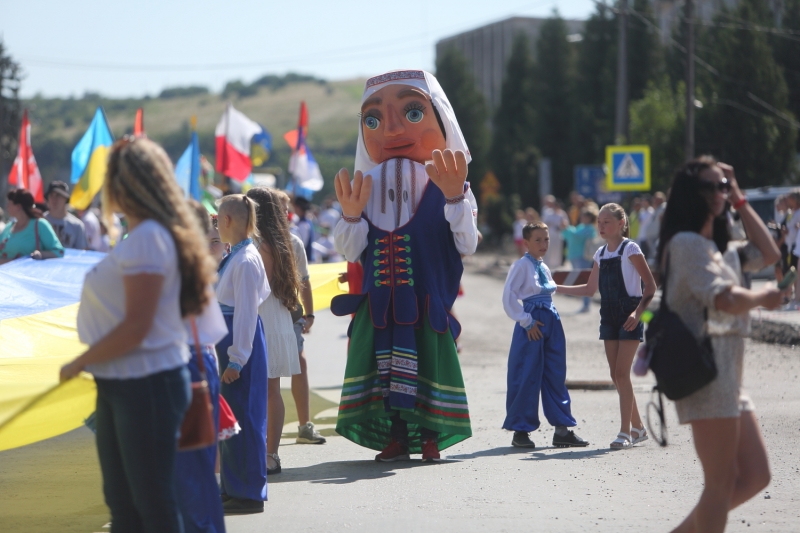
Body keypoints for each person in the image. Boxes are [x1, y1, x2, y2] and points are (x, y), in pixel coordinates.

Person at [59, 137, 217, 532]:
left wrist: (80, 361)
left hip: (145, 383)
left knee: (151, 504)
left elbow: (138, 325)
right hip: (125, 381)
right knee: (126, 504)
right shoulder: (148, 235)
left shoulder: (148, 238)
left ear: (125, 184)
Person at [331, 69, 478, 462]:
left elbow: (467, 243)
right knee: (386, 372)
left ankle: (429, 438)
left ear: (441, 120)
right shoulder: (364, 188)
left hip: (425, 304)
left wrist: (453, 201)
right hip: (381, 306)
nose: (391, 130)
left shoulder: (452, 187)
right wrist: (349, 217)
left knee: (427, 368)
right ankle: (396, 437)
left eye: (413, 113)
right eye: (373, 120)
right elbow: (349, 250)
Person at [657, 157, 781, 533]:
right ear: (690, 194)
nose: (718, 193)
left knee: (756, 475)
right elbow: (725, 299)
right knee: (720, 484)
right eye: (710, 186)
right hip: (705, 375)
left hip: (729, 375)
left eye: (723, 185)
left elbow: (771, 254)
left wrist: (740, 197)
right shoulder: (687, 244)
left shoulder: (720, 249)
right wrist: (763, 297)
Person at [556, 204, 657, 449]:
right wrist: (556, 288)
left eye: (606, 222)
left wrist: (637, 312)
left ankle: (625, 433)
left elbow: (651, 286)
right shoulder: (600, 254)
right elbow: (590, 290)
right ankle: (639, 428)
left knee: (622, 373)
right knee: (615, 375)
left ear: (621, 223)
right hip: (608, 316)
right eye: (599, 222)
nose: (601, 226)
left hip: (629, 314)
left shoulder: (630, 248)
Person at [501, 221, 589, 449]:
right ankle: (520, 430)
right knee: (526, 372)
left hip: (551, 319)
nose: (543, 244)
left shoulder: (544, 265)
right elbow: (508, 295)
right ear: (526, 243)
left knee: (555, 373)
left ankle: (562, 429)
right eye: (537, 240)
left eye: (546, 239)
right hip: (533, 321)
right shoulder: (521, 265)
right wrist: (526, 321)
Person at [174, 200, 229, 533]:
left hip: (186, 360)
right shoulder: (200, 265)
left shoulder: (178, 265)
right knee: (203, 450)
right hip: (204, 355)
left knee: (188, 458)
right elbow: (213, 328)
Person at [214, 194, 270, 514]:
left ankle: (249, 491)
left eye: (219, 218)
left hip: (239, 342)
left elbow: (247, 313)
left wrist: (237, 358)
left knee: (244, 417)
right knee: (230, 418)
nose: (217, 224)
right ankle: (234, 485)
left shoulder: (246, 259)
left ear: (229, 220)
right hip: (229, 339)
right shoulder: (237, 254)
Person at [246, 187, 303, 475]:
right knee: (266, 390)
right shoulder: (271, 241)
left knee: (268, 390)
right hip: (270, 317)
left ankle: (270, 454)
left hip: (264, 318)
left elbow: (258, 288)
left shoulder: (264, 245)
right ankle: (265, 452)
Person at [276, 190, 327, 446]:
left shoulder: (291, 241)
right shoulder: (284, 241)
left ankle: (303, 425)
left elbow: (304, 282)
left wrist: (308, 313)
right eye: (283, 209)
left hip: (286, 312)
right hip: (276, 313)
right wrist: (309, 314)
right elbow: (304, 283)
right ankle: (297, 427)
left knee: (295, 364)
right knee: (276, 372)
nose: (288, 214)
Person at [1, 188, 64, 264]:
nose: (7, 207)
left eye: (9, 204)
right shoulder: (8, 226)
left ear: (18, 206)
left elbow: (59, 252)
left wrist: (41, 254)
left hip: (25, 275)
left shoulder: (40, 225)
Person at [562, 209, 597, 312]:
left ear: (589, 218)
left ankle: (586, 305)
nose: (581, 218)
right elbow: (569, 235)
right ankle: (585, 304)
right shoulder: (581, 226)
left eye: (584, 216)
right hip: (575, 256)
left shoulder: (590, 228)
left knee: (584, 281)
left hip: (583, 257)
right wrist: (566, 228)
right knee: (581, 280)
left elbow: (576, 235)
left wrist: (567, 227)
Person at [44, 181, 88, 250]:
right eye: (51, 195)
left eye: (58, 195)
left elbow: (82, 254)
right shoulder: (40, 221)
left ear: (65, 199)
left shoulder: (77, 225)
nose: (54, 199)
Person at [542, 195, 569, 269]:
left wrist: (561, 225)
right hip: (549, 235)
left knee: (558, 250)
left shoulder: (562, 214)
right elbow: (544, 223)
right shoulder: (548, 213)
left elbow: (565, 224)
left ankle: (557, 265)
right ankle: (547, 264)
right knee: (548, 249)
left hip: (559, 235)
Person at [293, 196, 316, 263]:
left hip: (304, 261)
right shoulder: (304, 222)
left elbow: (302, 245)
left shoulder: (303, 224)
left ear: (298, 207)